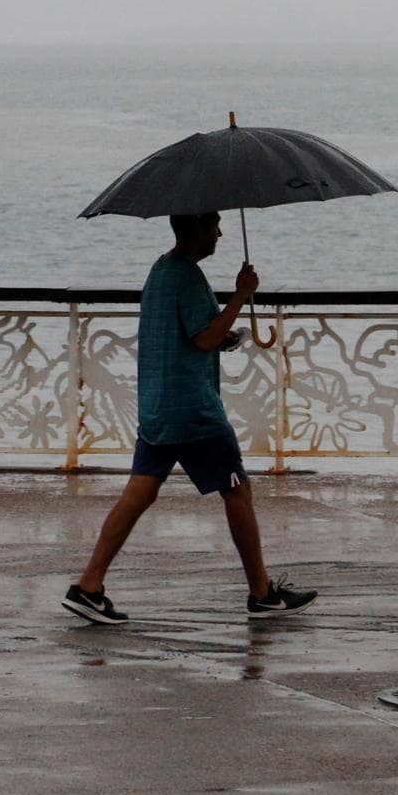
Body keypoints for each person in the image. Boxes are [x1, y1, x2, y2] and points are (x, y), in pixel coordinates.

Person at [63, 211, 317, 624]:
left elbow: (192, 334)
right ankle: (261, 593)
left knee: (139, 494)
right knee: (237, 491)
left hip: (157, 407)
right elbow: (204, 337)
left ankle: (88, 586)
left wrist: (224, 333)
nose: (220, 231)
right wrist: (241, 295)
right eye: (214, 224)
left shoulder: (161, 272)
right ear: (194, 230)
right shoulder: (187, 276)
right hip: (194, 412)